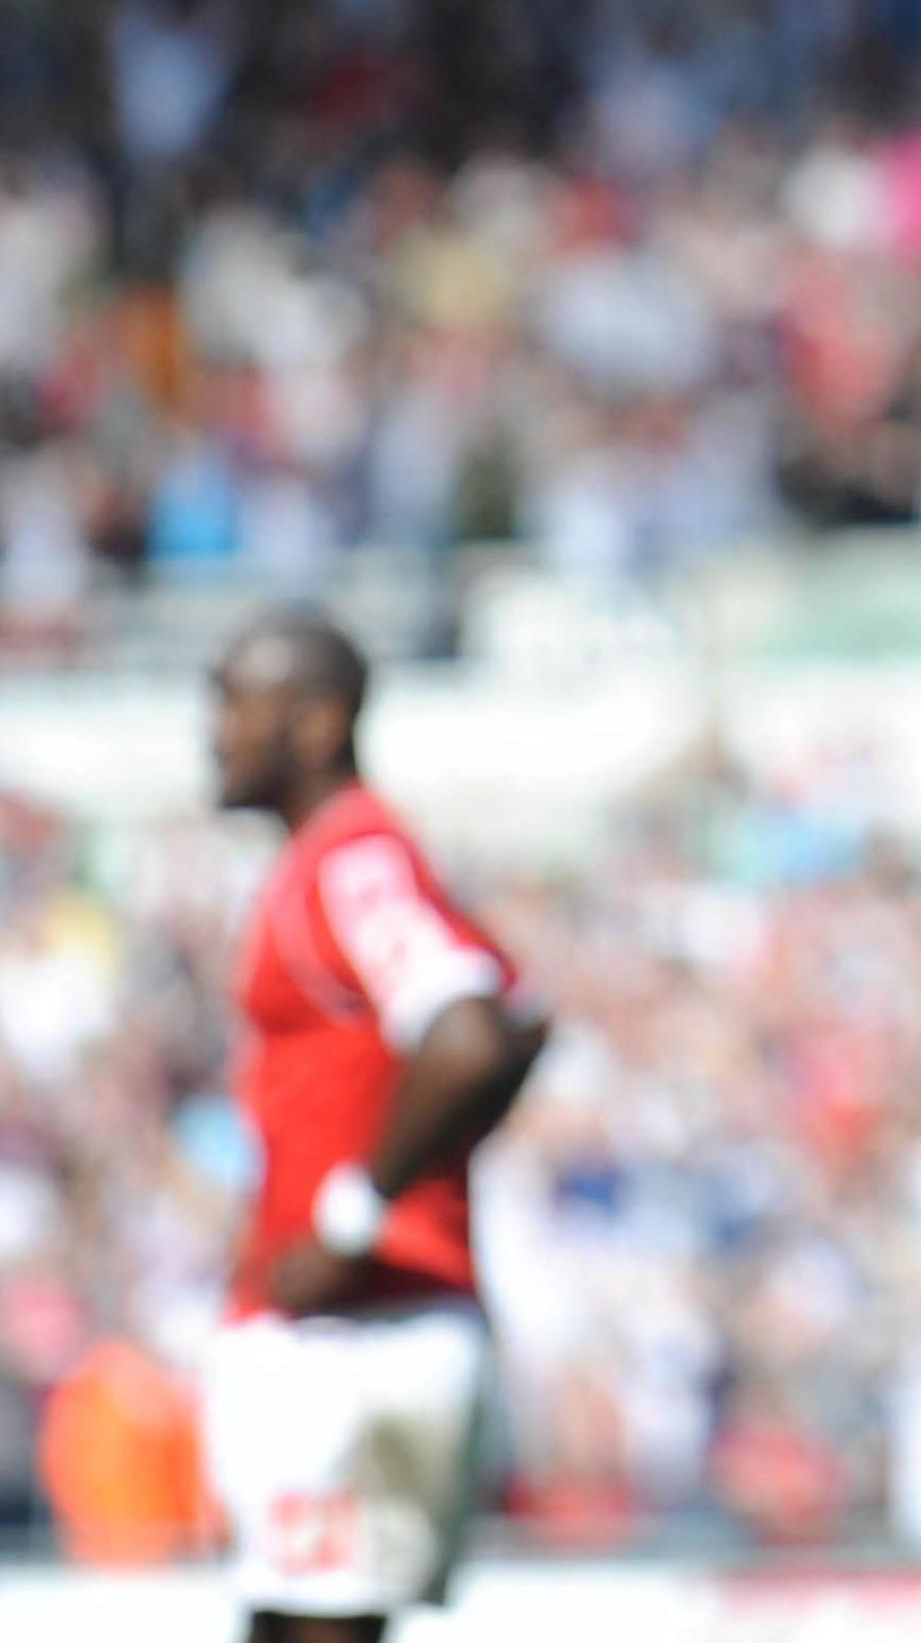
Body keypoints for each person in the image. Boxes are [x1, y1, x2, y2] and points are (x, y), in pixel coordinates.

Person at [197, 611, 551, 1643]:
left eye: (236, 703)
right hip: (360, 1326)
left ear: (316, 723)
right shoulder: (345, 859)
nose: (214, 733)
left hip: (362, 1330)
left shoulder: (351, 860)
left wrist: (357, 1215)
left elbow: (475, 1037)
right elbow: (523, 1022)